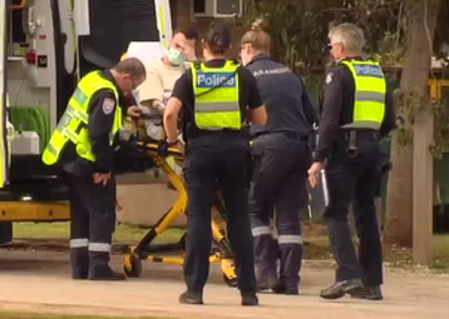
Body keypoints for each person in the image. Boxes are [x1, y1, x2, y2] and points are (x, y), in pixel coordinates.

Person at [163, 23, 268, 306]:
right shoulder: (243, 76)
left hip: (200, 153)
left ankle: (194, 290)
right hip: (235, 152)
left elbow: (170, 114)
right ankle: (248, 291)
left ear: (204, 47)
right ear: (230, 48)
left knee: (198, 218)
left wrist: (174, 142)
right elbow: (261, 119)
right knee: (239, 219)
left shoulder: (190, 76)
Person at [307, 23, 395, 301]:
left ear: (341, 48)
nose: (331, 51)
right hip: (372, 149)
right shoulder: (378, 73)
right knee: (366, 215)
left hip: (346, 150)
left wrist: (319, 157)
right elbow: (389, 119)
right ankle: (372, 283)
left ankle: (348, 275)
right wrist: (371, 137)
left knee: (334, 211)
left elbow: (329, 119)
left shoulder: (340, 74)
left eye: (332, 46)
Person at [42, 58, 146, 281]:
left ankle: (80, 267)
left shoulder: (92, 79)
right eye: (134, 86)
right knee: (101, 213)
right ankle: (99, 267)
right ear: (126, 78)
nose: (132, 91)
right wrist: (102, 168)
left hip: (68, 157)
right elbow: (99, 135)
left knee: (81, 214)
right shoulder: (107, 95)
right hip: (87, 160)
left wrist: (126, 111)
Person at [241, 21, 316, 295]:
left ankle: (265, 273)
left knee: (254, 210)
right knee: (288, 217)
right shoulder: (290, 75)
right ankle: (291, 281)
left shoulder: (247, 75)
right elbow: (311, 116)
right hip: (299, 148)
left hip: (268, 146)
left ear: (248, 48)